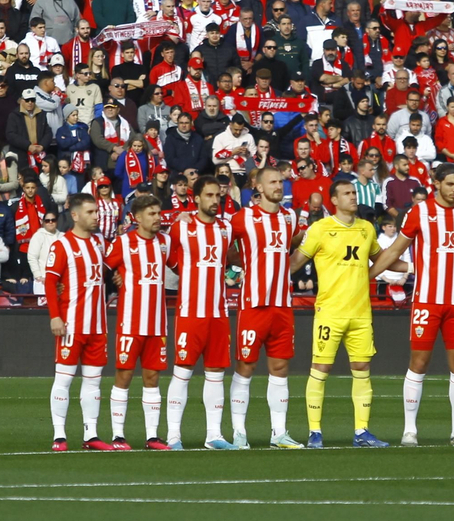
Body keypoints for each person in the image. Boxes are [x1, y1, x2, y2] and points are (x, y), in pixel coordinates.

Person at [371, 163, 454, 447]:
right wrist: (366, 275)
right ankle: (409, 430)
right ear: (436, 183)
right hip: (426, 301)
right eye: (450, 184)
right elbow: (395, 250)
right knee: (418, 363)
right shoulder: (420, 212)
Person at [289, 178, 397, 448]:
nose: (353, 196)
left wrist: (417, 265)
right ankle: (315, 432)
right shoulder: (320, 229)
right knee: (320, 368)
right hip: (330, 312)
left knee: (362, 368)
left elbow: (381, 259)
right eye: (347, 193)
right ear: (334, 200)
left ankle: (362, 431)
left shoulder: (366, 228)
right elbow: (294, 263)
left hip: (361, 313)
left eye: (354, 192)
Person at [228, 166, 305, 449]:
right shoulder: (243, 217)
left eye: (281, 181)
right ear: (258, 187)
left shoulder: (289, 217)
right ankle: (239, 433)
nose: (278, 186)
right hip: (254, 303)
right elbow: (223, 243)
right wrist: (242, 262)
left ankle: (279, 433)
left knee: (280, 366)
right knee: (246, 365)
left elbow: (294, 241)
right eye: (273, 182)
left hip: (282, 304)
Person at [164, 175, 235, 450]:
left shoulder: (226, 228)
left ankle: (214, 435)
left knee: (216, 372)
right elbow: (166, 253)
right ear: (196, 199)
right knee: (182, 371)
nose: (215, 200)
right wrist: (186, 272)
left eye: (218, 195)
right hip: (190, 312)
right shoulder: (182, 226)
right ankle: (173, 436)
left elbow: (230, 256)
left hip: (218, 312)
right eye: (209, 195)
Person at [103, 194, 170, 450]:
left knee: (152, 377)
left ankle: (152, 436)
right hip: (130, 322)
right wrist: (116, 278)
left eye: (158, 213)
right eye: (151, 214)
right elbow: (102, 270)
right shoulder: (123, 242)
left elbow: (180, 265)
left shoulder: (165, 242)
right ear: (138, 218)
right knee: (124, 375)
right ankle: (118, 436)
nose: (157, 218)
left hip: (157, 323)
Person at [46, 193, 110, 451]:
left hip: (97, 325)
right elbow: (50, 281)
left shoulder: (100, 243)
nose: (96, 216)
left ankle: (91, 435)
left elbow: (112, 267)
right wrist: (55, 315)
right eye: (90, 212)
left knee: (93, 381)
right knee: (64, 379)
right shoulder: (62, 245)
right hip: (71, 324)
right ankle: (59, 435)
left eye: (97, 211)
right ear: (75, 215)